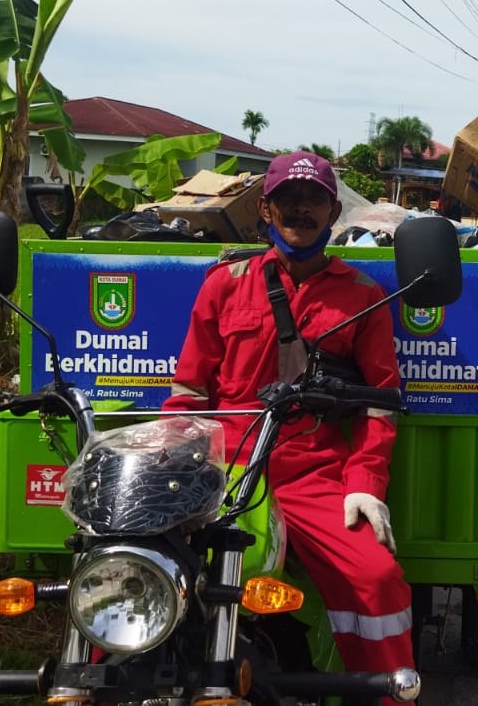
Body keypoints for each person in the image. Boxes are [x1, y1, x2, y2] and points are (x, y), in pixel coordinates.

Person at [164, 150, 413, 700]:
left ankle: (388, 694)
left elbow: (380, 405)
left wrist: (365, 486)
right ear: (266, 210)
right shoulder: (224, 284)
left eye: (314, 200)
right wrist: (176, 471)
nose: (301, 209)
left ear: (333, 213)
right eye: (288, 200)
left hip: (312, 476)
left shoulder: (364, 295)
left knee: (376, 579)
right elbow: (188, 394)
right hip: (226, 472)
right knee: (144, 568)